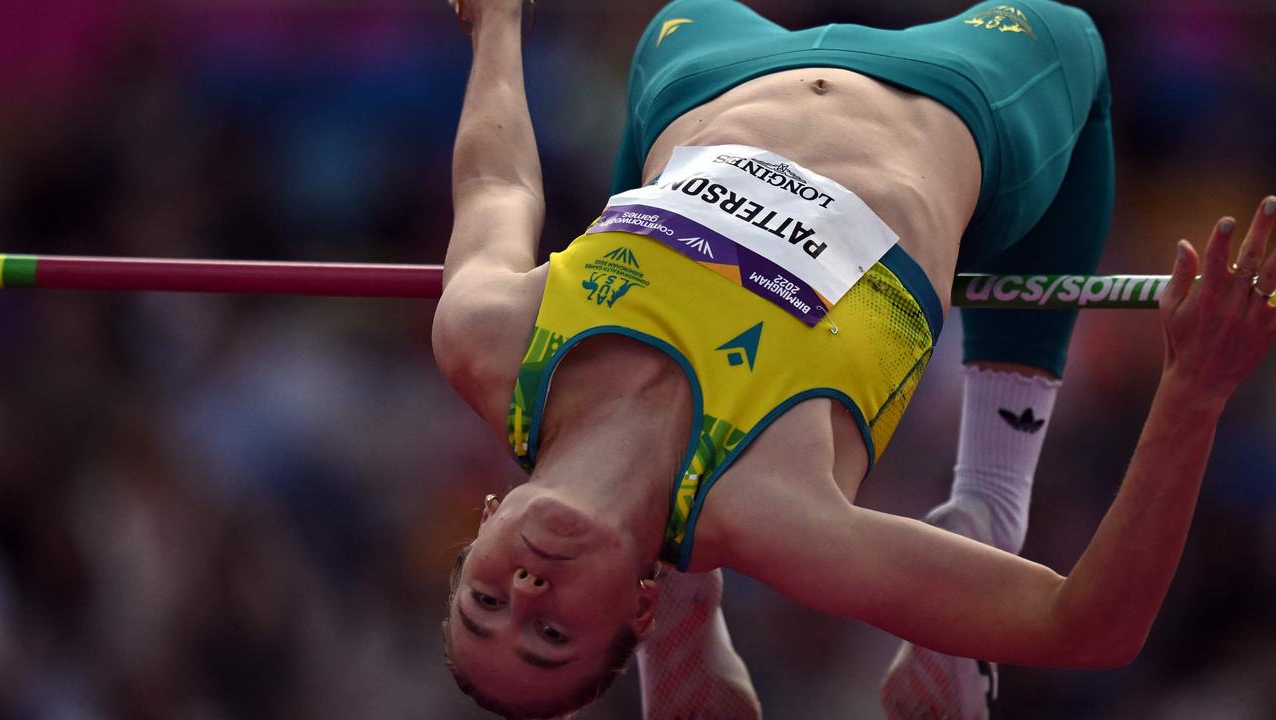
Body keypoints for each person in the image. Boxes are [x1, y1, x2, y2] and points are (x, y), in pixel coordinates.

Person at [432, 0, 1276, 717]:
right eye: (550, 634)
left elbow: (496, 189)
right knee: (1080, 48)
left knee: (657, 34)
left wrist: (499, 24)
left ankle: (693, 591)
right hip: (956, 95)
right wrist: (1194, 394)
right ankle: (990, 503)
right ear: (634, 607)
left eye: (486, 600)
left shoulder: (491, 342)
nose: (528, 594)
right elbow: (1086, 627)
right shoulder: (770, 507)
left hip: (702, 62)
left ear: (485, 524)